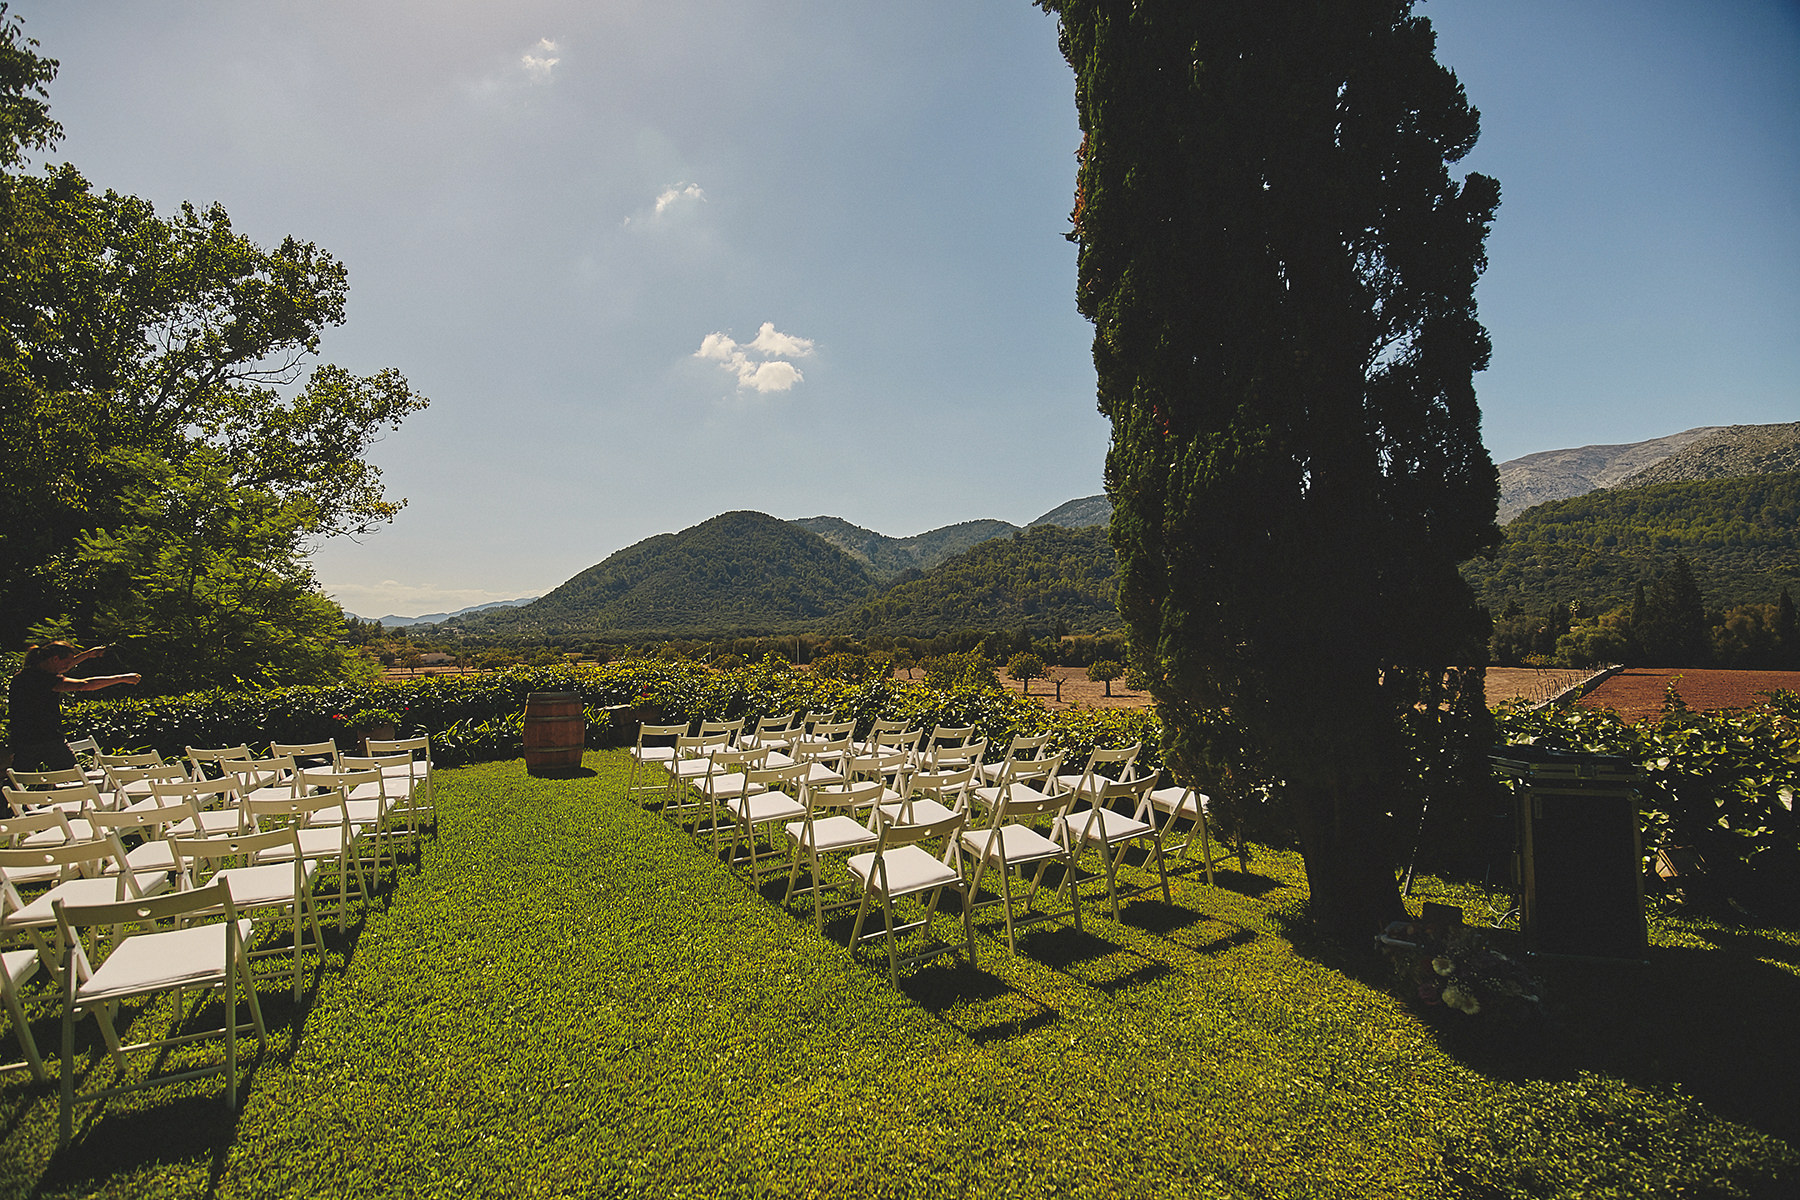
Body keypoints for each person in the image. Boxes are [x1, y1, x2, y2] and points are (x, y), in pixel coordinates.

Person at [6, 642, 141, 772]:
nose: (68, 666)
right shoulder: (44, 679)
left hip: (22, 740)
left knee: (19, 780)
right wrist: (122, 678)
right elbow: (84, 685)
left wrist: (88, 654)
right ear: (55, 659)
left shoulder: (24, 675)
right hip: (47, 739)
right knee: (72, 777)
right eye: (67, 662)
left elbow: (64, 666)